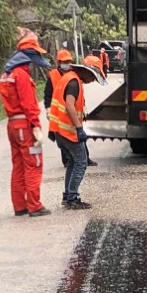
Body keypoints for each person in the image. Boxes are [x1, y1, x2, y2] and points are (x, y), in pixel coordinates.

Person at [1, 30, 50, 217]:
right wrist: (36, 126)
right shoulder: (21, 75)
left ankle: (19, 205)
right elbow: (29, 104)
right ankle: (34, 205)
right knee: (33, 164)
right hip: (25, 126)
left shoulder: (7, 74)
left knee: (19, 165)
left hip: (12, 126)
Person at [46, 49, 92, 210]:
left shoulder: (68, 78)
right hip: (67, 130)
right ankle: (72, 198)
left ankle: (68, 196)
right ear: (86, 72)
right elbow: (69, 105)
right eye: (93, 77)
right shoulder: (73, 82)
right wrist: (79, 128)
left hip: (59, 129)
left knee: (72, 162)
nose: (92, 81)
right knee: (81, 162)